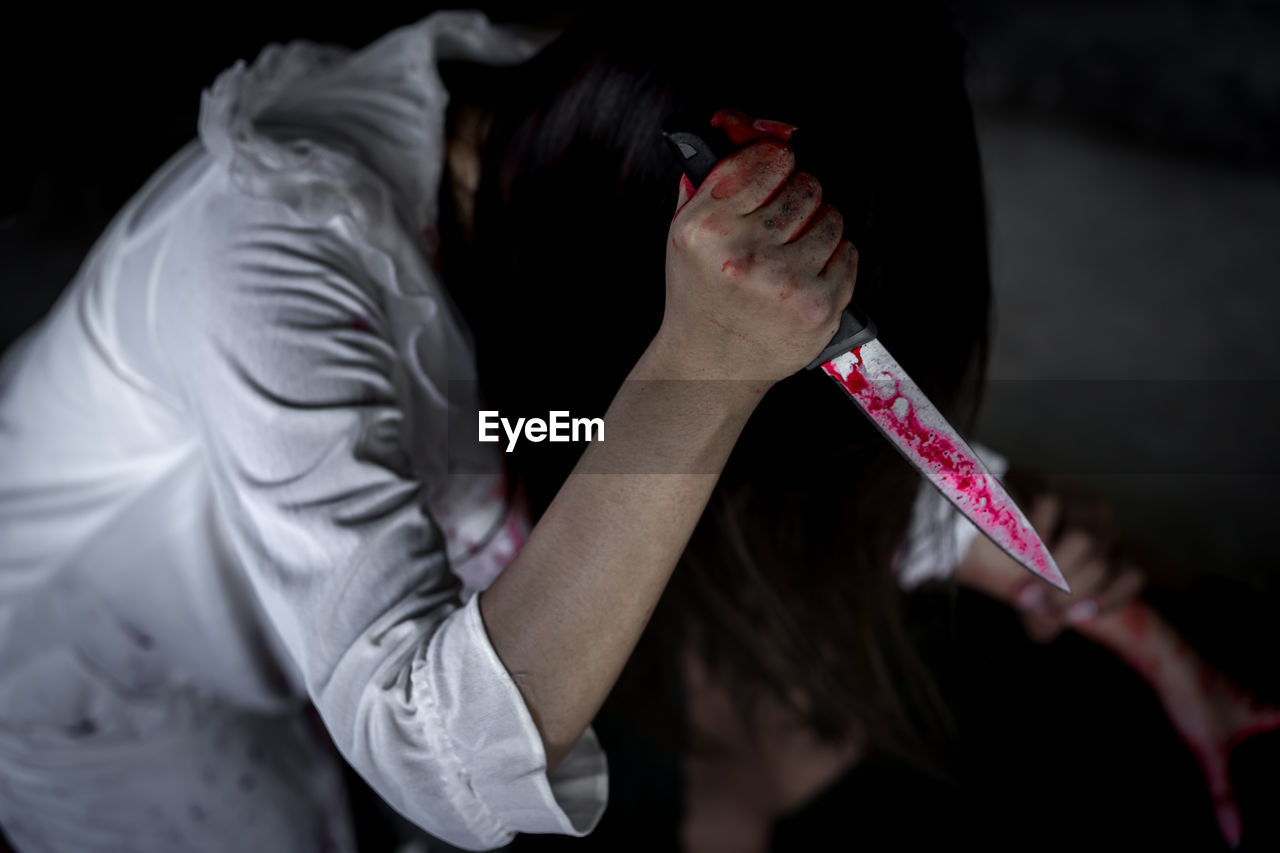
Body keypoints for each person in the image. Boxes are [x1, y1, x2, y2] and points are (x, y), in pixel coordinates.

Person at [3, 3, 1224, 852]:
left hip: (316, 609)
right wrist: (695, 373)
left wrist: (1062, 581)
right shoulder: (267, 273)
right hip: (83, 689)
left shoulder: (582, 145)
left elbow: (566, 425)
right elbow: (444, 760)